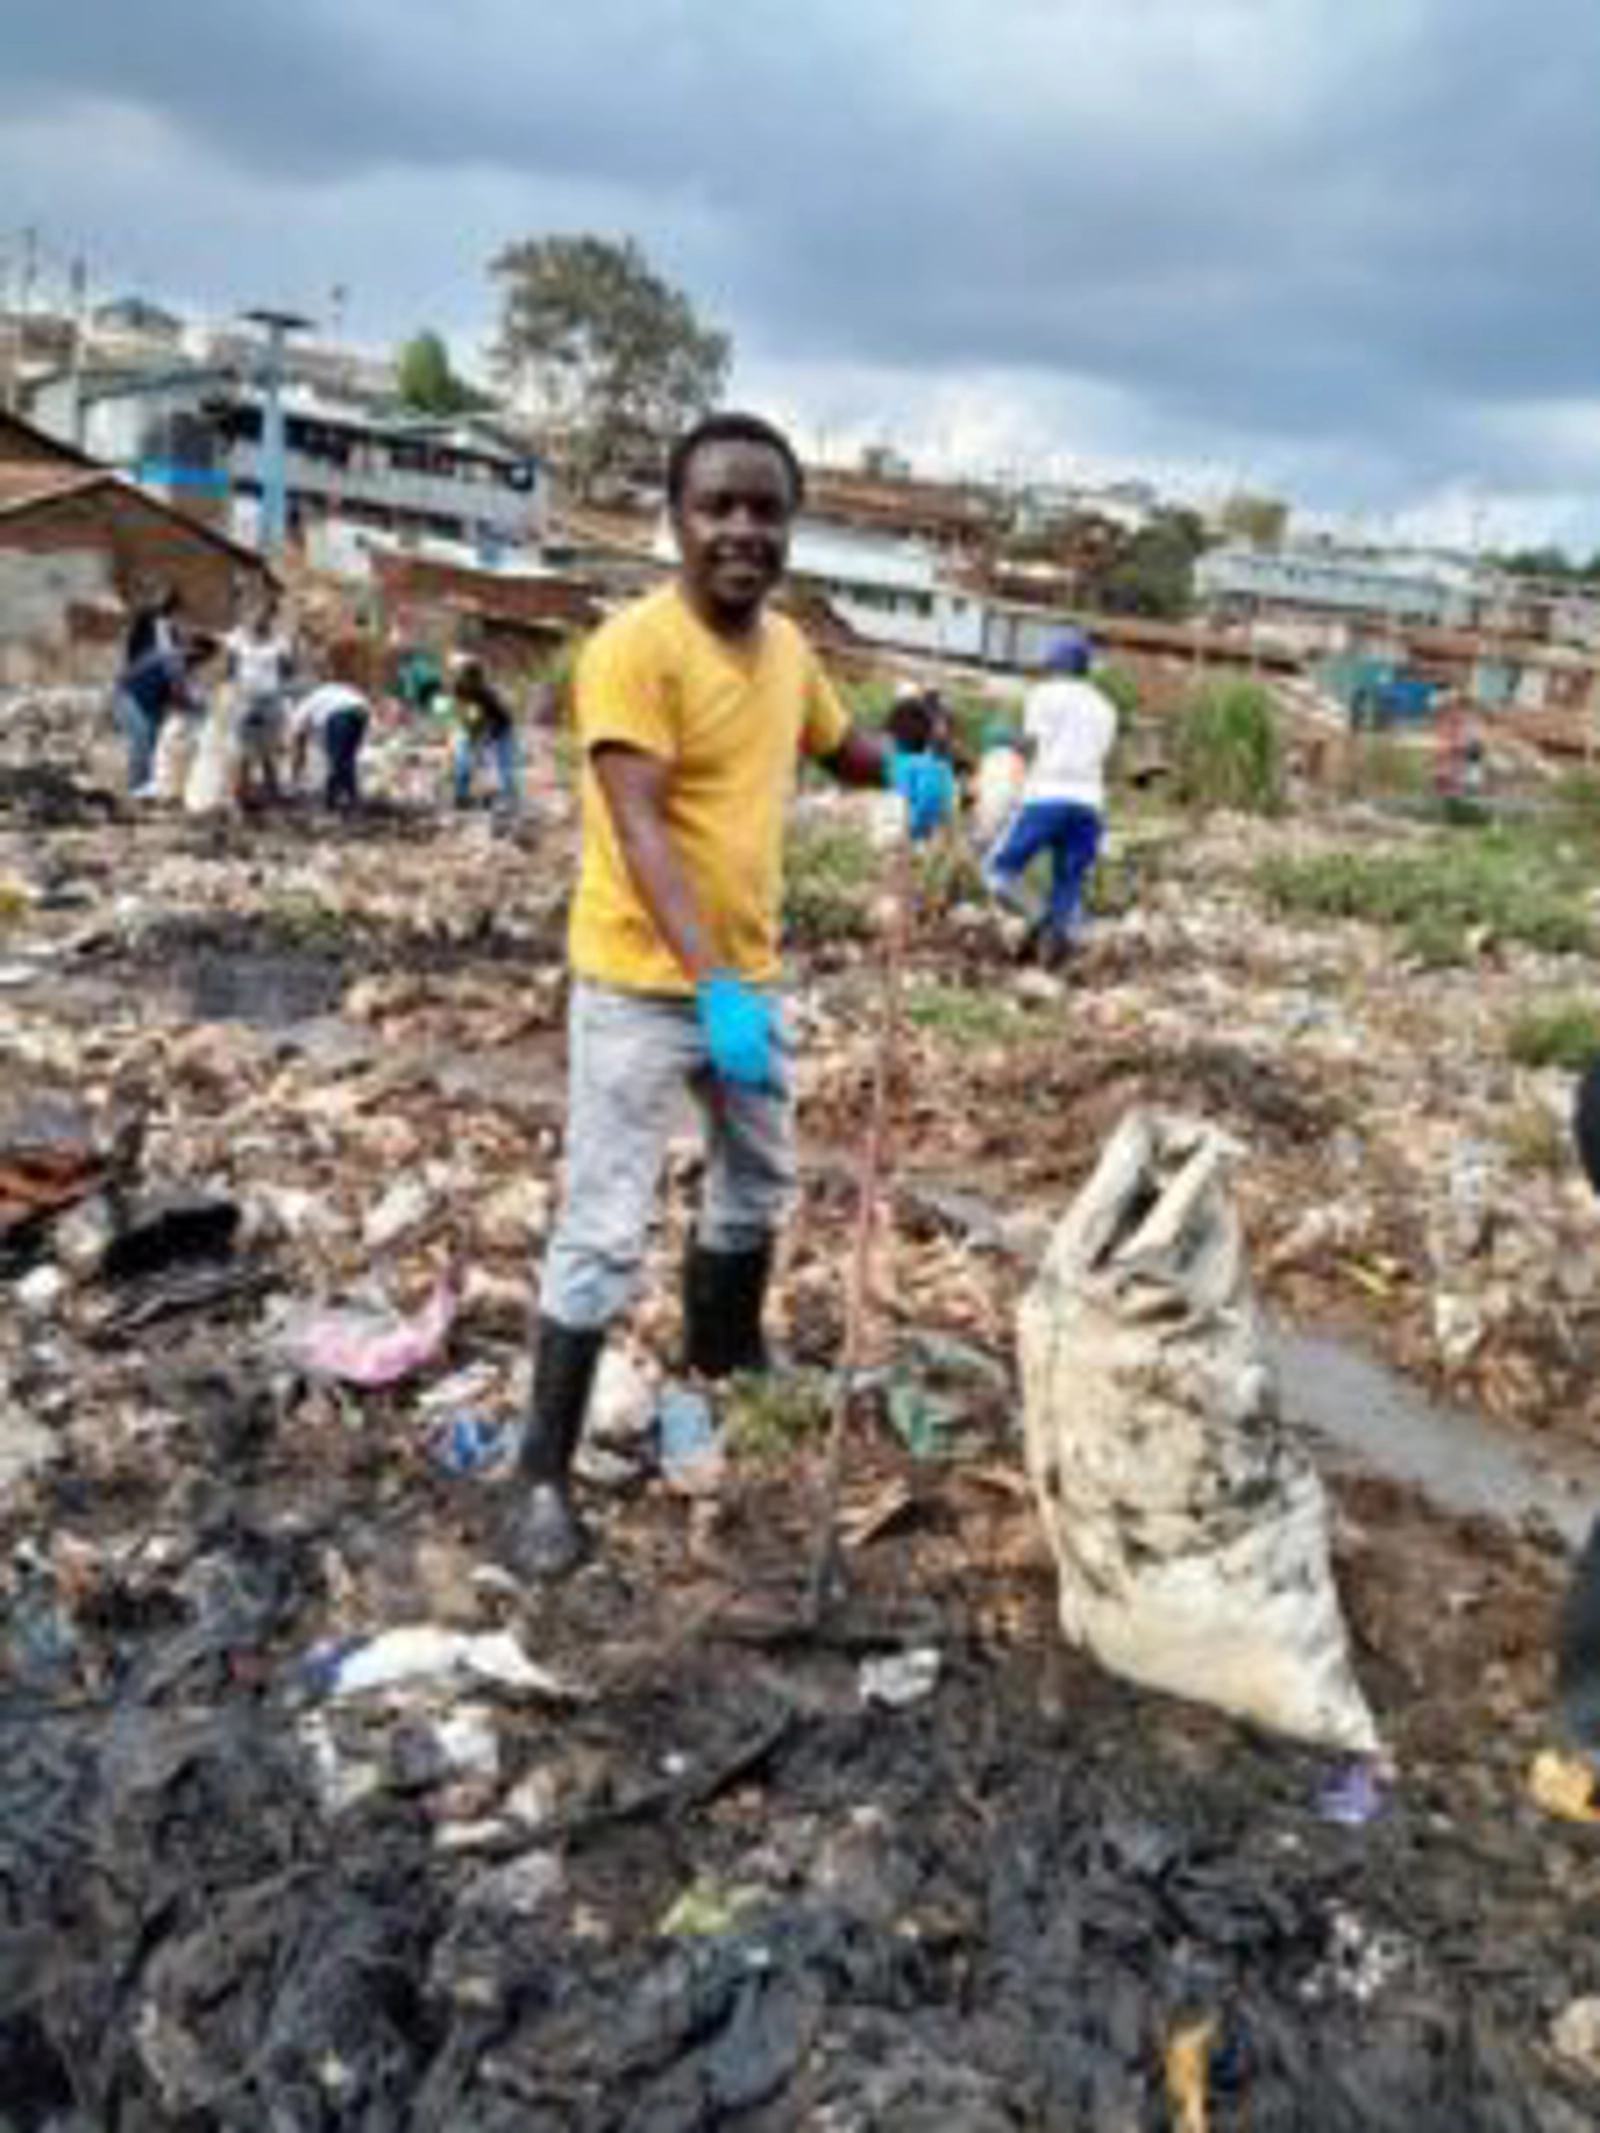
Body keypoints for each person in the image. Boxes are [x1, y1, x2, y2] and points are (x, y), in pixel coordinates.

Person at [508, 410, 955, 1578]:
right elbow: (639, 826)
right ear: (676, 520)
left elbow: (834, 744)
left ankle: (724, 1353)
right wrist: (709, 987)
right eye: (719, 507)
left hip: (742, 975)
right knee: (605, 1225)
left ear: (790, 527)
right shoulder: (634, 651)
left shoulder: (787, 650)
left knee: (758, 1183)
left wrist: (901, 769)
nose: (743, 530)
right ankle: (541, 1478)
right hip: (641, 985)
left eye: (766, 509)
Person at [983, 629, 1118, 963]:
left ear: (1056, 663)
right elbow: (1099, 756)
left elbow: (1032, 747)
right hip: (1089, 806)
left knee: (997, 873)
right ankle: (1055, 945)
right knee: (1067, 884)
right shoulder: (1107, 707)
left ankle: (1043, 920)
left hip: (1047, 796)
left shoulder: (1044, 694)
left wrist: (1003, 738)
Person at [225, 589, 296, 806]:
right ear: (248, 613)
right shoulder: (236, 637)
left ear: (272, 616)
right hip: (244, 699)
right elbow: (229, 668)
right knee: (243, 750)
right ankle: (240, 796)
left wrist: (284, 664)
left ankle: (272, 795)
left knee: (268, 751)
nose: (259, 618)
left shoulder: (281, 641)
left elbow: (288, 671)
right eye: (255, 613)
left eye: (265, 614)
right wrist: (233, 692)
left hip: (270, 701)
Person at [449, 654, 522, 814]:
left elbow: (492, 721)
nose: (464, 681)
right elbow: (462, 712)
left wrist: (482, 739)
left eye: (467, 677)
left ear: (475, 677)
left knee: (503, 765)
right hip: (474, 726)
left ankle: (508, 799)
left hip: (501, 729)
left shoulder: (488, 695)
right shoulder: (458, 688)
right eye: (460, 675)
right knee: (463, 761)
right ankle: (461, 797)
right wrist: (468, 732)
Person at [288, 677, 372, 812]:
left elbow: (298, 746)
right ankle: (336, 797)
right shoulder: (322, 696)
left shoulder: (302, 709)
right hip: (361, 712)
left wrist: (295, 775)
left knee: (339, 761)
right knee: (345, 758)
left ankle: (348, 799)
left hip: (341, 715)